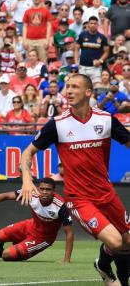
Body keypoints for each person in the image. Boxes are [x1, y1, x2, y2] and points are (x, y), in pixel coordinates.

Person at [19, 74, 130, 286]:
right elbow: (27, 153)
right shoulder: (58, 124)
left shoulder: (105, 120)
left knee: (127, 242)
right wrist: (26, 179)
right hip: (79, 199)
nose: (68, 90)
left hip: (106, 193)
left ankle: (103, 265)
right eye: (67, 86)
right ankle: (115, 277)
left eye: (74, 86)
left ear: (88, 92)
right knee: (116, 241)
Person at [0, 178, 74, 262]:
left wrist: (66, 259)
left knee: (7, 255)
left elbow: (69, 233)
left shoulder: (60, 206)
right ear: (38, 189)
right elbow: (6, 195)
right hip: (29, 226)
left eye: (48, 190)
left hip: (43, 238)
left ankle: (16, 251)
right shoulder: (31, 194)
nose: (44, 192)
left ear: (53, 191)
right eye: (42, 189)